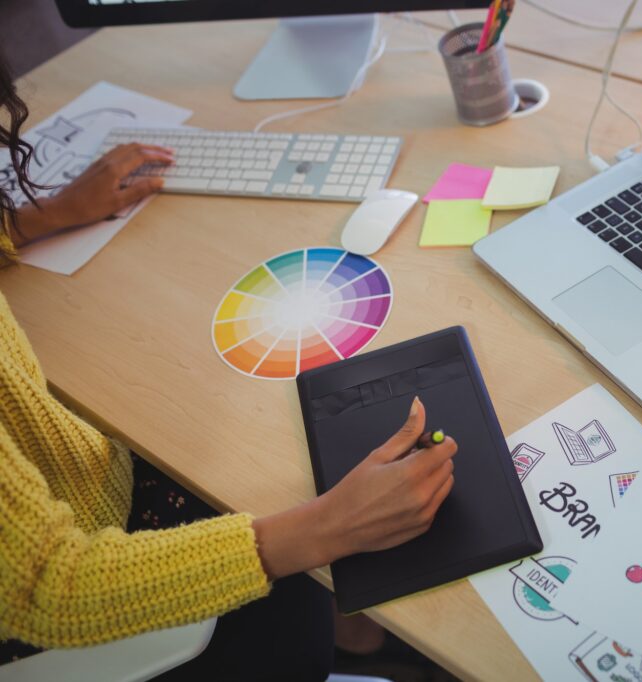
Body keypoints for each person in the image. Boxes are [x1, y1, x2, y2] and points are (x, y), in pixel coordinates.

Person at [0, 53, 457, 679]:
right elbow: (52, 588)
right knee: (289, 480)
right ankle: (347, 631)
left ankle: (355, 625)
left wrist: (42, 216)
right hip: (80, 602)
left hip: (82, 480)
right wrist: (328, 529)